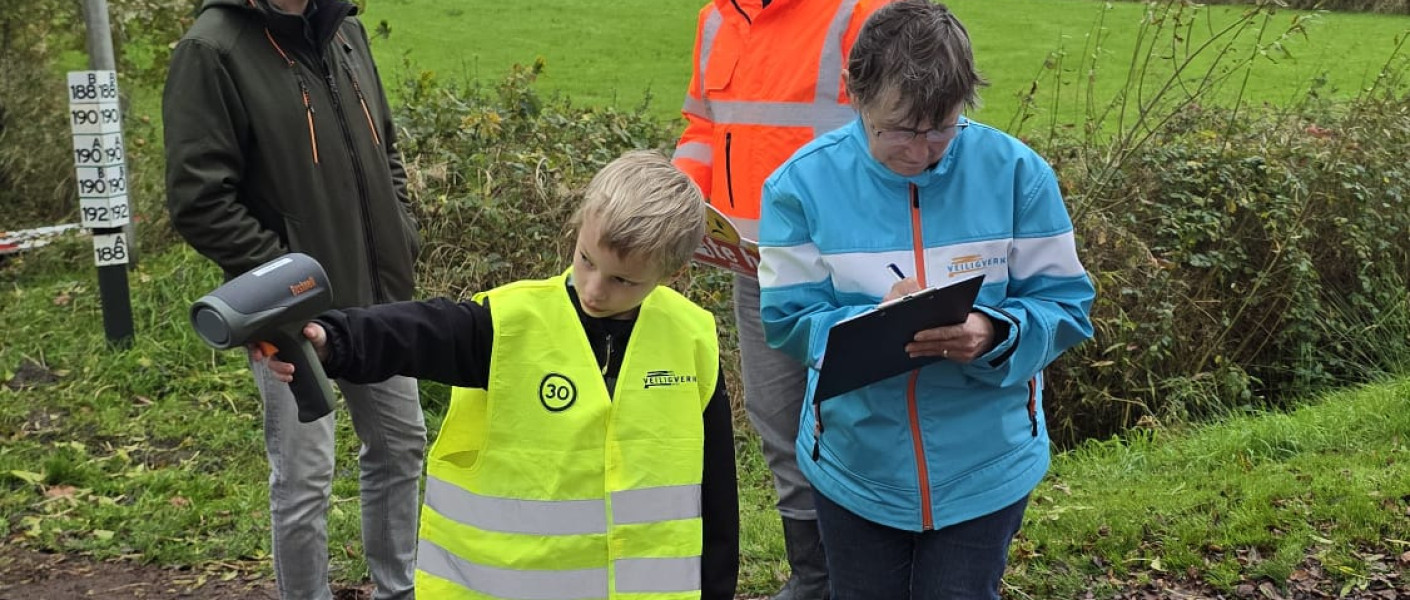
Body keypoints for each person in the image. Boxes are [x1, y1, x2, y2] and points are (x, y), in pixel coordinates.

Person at [260, 151, 741, 600]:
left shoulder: (691, 337)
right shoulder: (510, 322)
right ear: (578, 229)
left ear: (671, 274)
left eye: (622, 280)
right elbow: (421, 331)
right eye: (586, 260)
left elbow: (717, 494)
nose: (594, 289)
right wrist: (334, 340)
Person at [756, 2, 1096, 598]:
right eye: (900, 130)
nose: (921, 152)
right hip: (855, 464)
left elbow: (1066, 304)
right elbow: (787, 320)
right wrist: (872, 324)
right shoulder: (799, 187)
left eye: (942, 129)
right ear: (854, 93)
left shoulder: (1019, 175)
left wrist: (994, 333)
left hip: (987, 464)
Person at [162, 0, 426, 598]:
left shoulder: (345, 29)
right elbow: (200, 200)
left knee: (401, 443)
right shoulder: (214, 48)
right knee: (307, 475)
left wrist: (402, 231)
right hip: (290, 315)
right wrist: (285, 281)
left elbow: (386, 153)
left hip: (378, 302)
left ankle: (397, 590)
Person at [671, 1, 894, 596]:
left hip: (846, 262)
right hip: (756, 264)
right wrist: (683, 207)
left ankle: (868, 572)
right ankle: (816, 577)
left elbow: (899, 126)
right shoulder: (717, 17)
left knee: (856, 416)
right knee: (778, 421)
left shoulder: (862, 11)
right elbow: (703, 125)